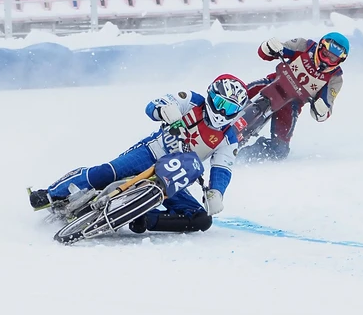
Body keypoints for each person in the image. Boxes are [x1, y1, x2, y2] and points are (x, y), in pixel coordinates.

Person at [28, 75, 251, 233]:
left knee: (201, 219)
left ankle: (144, 218)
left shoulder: (229, 137)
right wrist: (164, 110)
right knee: (107, 172)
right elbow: (156, 104)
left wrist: (216, 193)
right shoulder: (192, 100)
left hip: (175, 176)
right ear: (211, 95)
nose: (222, 112)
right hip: (150, 153)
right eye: (220, 103)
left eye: (230, 109)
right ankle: (51, 193)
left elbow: (223, 167)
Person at [239, 32, 348, 161]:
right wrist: (269, 47)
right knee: (238, 95)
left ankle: (244, 157)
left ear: (340, 60)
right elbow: (266, 53)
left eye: (333, 59)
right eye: (325, 55)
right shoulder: (304, 46)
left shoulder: (335, 79)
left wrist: (321, 109)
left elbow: (324, 111)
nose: (326, 61)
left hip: (291, 104)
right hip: (272, 83)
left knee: (279, 151)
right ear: (320, 46)